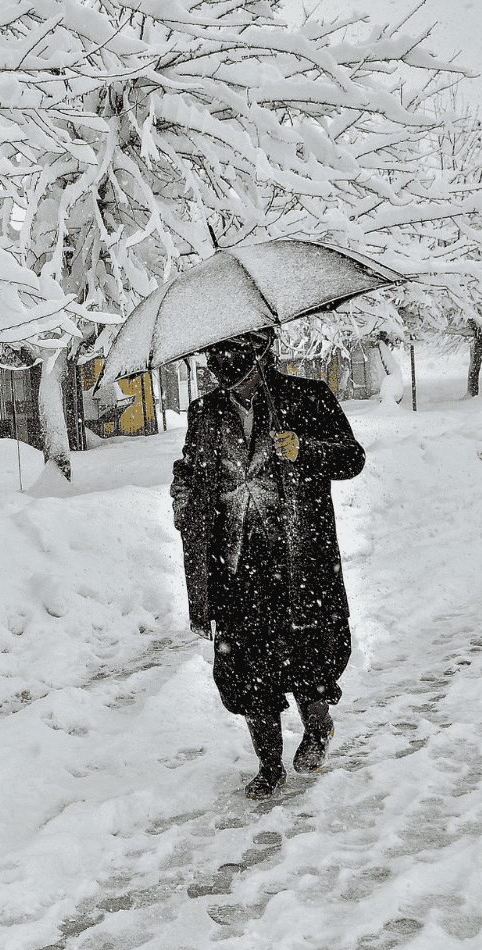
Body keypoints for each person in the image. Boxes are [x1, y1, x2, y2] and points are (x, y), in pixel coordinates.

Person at [171, 328, 366, 798]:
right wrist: (183, 492)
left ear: (261, 355)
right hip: (236, 564)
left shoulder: (306, 397)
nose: (225, 375)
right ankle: (269, 766)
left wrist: (307, 449)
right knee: (246, 663)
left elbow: (352, 458)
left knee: (308, 658)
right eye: (216, 361)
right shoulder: (205, 414)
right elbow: (192, 470)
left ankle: (317, 729)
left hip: (300, 561)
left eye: (234, 361)